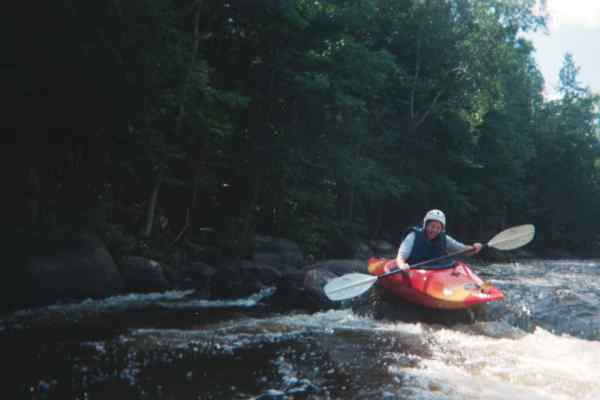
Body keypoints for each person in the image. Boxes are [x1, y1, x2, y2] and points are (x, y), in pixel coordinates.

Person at [394, 209, 482, 270]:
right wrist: (402, 265)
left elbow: (463, 250)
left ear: (441, 229)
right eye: (432, 226)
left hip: (436, 270)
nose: (434, 230)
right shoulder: (413, 236)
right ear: (425, 225)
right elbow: (401, 255)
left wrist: (474, 248)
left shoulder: (444, 239)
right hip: (414, 269)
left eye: (438, 228)